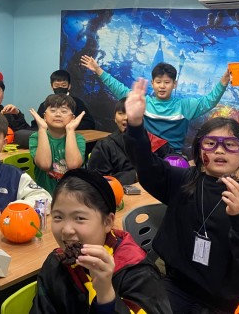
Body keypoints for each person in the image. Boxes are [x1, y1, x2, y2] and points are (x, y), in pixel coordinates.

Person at [124, 78, 239, 313]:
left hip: (227, 302)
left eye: (230, 145)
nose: (219, 150)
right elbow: (146, 164)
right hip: (176, 287)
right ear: (199, 151)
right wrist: (135, 125)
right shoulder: (183, 181)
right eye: (211, 143)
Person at [31, 168, 172, 314]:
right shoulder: (56, 263)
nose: (66, 230)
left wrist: (106, 295)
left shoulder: (135, 270)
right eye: (58, 217)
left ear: (107, 222)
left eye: (79, 218)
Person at [80, 56, 230, 152]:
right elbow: (119, 89)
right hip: (146, 155)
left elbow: (209, 100)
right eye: (158, 82)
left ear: (175, 84)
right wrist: (98, 70)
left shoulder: (184, 106)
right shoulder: (144, 102)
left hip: (173, 158)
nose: (162, 86)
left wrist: (223, 82)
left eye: (167, 82)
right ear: (152, 83)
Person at [29, 94, 86, 193]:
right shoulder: (36, 137)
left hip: (72, 194)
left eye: (64, 111)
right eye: (53, 110)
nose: (58, 114)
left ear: (73, 118)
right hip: (45, 195)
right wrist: (42, 128)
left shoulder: (78, 139)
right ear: (44, 116)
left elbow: (73, 166)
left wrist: (70, 130)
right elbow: (45, 164)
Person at [87, 98, 136, 185]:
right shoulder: (104, 146)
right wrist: (134, 176)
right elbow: (98, 180)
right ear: (115, 118)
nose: (126, 117)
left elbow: (161, 165)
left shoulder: (150, 141)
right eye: (121, 113)